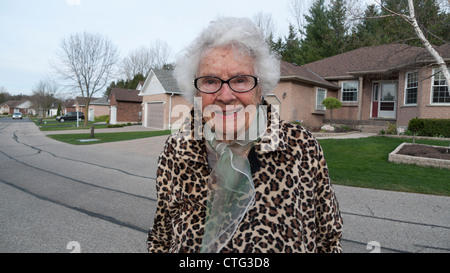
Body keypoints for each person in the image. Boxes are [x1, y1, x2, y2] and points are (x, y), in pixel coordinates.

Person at [147, 17, 343, 253]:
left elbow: (329, 239)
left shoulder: (301, 146)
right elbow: (161, 238)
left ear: (260, 88)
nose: (226, 95)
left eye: (240, 80)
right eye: (210, 81)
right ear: (196, 91)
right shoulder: (176, 150)